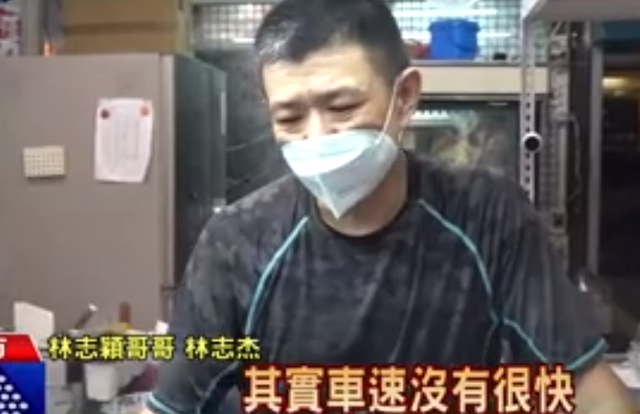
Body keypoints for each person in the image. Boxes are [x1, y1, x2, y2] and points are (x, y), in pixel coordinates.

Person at [143, 0, 640, 412]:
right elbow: (174, 404)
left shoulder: (487, 216)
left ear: (405, 97)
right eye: (290, 117)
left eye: (342, 107)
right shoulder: (237, 244)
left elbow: (591, 393)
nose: (317, 136)